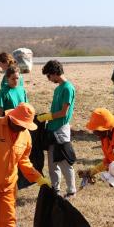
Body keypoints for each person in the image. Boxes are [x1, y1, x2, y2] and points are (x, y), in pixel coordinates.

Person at [38, 60, 76, 198]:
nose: (49, 79)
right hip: (52, 129)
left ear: (54, 73)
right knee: (53, 162)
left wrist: (47, 117)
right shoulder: (58, 88)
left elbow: (63, 113)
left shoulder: (67, 88)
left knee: (64, 161)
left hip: (61, 128)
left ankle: (71, 191)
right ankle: (56, 190)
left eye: (49, 76)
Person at [0, 52, 25, 117]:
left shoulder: (8, 77)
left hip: (9, 112)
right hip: (19, 111)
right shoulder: (18, 74)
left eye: (0, 63)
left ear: (6, 63)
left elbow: (5, 96)